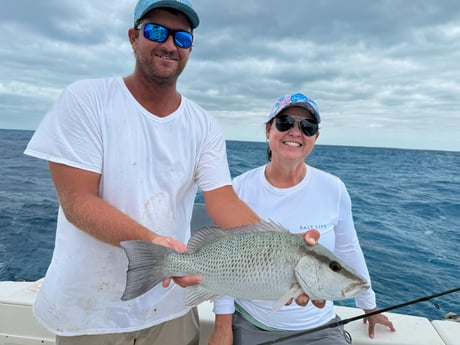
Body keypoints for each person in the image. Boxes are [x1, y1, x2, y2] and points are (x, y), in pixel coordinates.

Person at [24, 1, 319, 344]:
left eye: (181, 37)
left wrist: (287, 251)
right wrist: (154, 245)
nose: (169, 45)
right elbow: (78, 201)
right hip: (89, 313)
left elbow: (222, 201)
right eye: (156, 31)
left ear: (190, 48)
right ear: (134, 37)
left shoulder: (203, 124)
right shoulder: (86, 99)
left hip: (170, 308)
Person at [209, 93, 396, 345]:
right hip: (252, 325)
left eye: (307, 127)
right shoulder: (239, 188)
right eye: (285, 122)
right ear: (268, 130)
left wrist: (368, 306)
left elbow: (348, 248)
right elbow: (224, 262)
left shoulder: (334, 188)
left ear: (315, 138)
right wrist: (222, 328)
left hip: (320, 329)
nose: (296, 132)